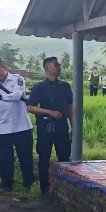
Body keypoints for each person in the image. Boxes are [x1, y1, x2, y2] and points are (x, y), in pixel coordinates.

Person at [0, 58, 35, 192]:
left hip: (21, 126)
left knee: (25, 156)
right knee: (5, 158)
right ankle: (7, 184)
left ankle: (29, 182)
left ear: (5, 68)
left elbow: (16, 96)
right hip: (4, 127)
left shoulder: (18, 79)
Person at [27, 56, 73, 195]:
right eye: (56, 65)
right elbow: (30, 107)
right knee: (44, 158)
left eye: (59, 64)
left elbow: (70, 107)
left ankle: (66, 188)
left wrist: (74, 126)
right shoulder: (39, 87)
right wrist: (50, 112)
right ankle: (45, 190)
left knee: (65, 157)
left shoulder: (65, 86)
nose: (59, 67)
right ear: (47, 68)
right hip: (45, 127)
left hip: (62, 127)